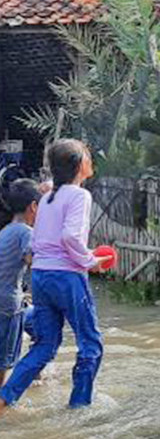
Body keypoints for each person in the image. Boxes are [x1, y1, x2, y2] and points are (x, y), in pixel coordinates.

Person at [0, 139, 109, 415]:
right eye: (87, 155)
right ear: (79, 165)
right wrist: (90, 260)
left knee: (45, 345)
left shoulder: (46, 196)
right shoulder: (79, 196)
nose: (91, 159)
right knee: (91, 343)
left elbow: (49, 190)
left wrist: (85, 255)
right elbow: (70, 236)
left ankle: (4, 399)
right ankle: (79, 408)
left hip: (40, 276)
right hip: (66, 276)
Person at [0, 179, 41, 388]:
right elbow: (35, 262)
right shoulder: (26, 232)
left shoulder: (6, 231)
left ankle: (37, 376)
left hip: (10, 300)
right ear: (33, 207)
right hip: (8, 306)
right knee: (4, 363)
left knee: (40, 326)